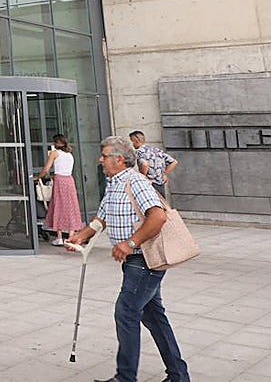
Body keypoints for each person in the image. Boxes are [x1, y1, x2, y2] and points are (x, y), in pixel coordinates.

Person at [67, 136, 190, 382]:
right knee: (153, 316)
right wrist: (81, 236)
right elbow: (101, 218)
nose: (100, 160)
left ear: (119, 159)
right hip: (135, 262)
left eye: (104, 156)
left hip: (143, 260)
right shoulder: (114, 183)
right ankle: (178, 376)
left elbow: (157, 217)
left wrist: (129, 243)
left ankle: (125, 378)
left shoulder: (135, 182)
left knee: (126, 312)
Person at [33, 133, 82, 246]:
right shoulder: (69, 154)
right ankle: (71, 235)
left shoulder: (55, 153)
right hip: (69, 180)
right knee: (71, 206)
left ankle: (59, 237)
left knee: (58, 206)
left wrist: (38, 177)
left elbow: (46, 169)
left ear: (56, 143)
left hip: (59, 181)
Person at [130, 131, 178, 201]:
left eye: (132, 141)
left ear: (136, 140)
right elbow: (174, 162)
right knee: (163, 204)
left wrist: (142, 177)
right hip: (160, 184)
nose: (132, 144)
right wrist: (164, 174)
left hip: (150, 183)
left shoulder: (139, 152)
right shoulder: (156, 150)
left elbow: (145, 164)